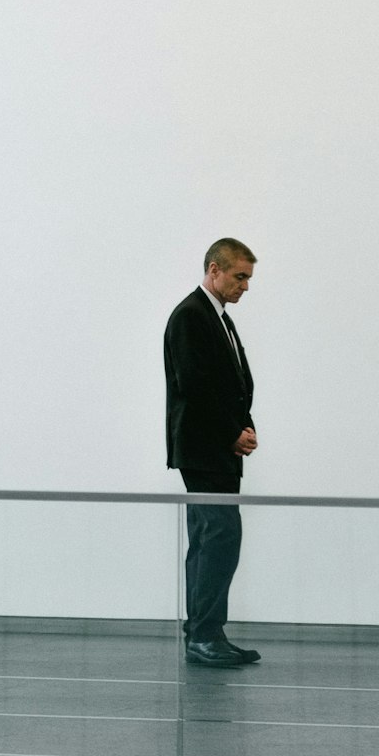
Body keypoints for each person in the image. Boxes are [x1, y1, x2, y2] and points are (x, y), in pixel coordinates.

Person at [164, 238, 260, 668]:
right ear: (214, 269)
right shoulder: (191, 316)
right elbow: (195, 387)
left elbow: (233, 382)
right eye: (239, 276)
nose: (245, 286)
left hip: (218, 448)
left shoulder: (217, 317)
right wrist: (231, 432)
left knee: (214, 539)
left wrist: (245, 425)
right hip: (203, 450)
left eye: (248, 278)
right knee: (216, 537)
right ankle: (202, 635)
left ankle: (207, 632)